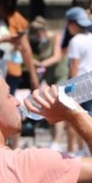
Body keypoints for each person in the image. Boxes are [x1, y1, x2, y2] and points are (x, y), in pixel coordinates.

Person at [65, 6, 92, 155]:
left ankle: (76, 149)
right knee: (91, 118)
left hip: (80, 82)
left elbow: (74, 66)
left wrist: (69, 89)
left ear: (72, 24)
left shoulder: (75, 41)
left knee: (74, 118)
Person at [28, 16, 67, 151]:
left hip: (61, 75)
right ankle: (53, 140)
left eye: (37, 36)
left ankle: (57, 141)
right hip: (49, 78)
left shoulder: (56, 36)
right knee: (50, 109)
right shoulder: (42, 44)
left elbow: (57, 56)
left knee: (59, 105)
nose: (38, 40)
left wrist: (41, 64)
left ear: (42, 32)